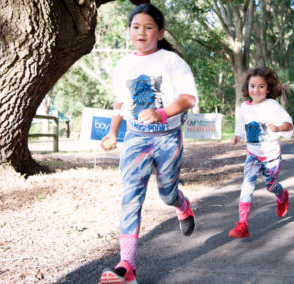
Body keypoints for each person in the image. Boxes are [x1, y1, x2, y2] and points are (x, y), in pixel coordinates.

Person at [99, 4, 198, 283]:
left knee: (167, 193)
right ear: (129, 31)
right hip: (135, 137)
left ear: (160, 32)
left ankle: (182, 205)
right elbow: (120, 102)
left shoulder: (171, 61)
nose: (141, 32)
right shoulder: (122, 65)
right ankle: (126, 265)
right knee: (131, 196)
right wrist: (112, 133)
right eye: (135, 27)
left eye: (148, 27)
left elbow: (189, 98)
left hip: (168, 137)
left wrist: (162, 113)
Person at [229, 67, 294, 239]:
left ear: (268, 89)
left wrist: (279, 127)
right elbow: (241, 123)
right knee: (247, 187)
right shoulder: (245, 107)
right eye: (252, 86)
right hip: (253, 154)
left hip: (271, 156)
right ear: (247, 87)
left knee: (270, 185)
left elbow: (289, 124)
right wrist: (237, 135)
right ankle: (243, 224)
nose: (256, 90)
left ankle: (282, 196)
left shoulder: (272, 105)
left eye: (261, 86)